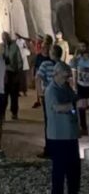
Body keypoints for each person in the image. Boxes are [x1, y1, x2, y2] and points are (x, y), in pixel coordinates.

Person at [45, 61, 80, 194]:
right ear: (57, 74)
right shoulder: (51, 90)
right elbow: (57, 108)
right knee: (59, 171)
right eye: (65, 77)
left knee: (74, 171)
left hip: (70, 135)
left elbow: (74, 101)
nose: (67, 79)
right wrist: (73, 106)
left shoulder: (66, 87)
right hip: (59, 137)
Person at [37, 43, 64, 158]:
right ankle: (59, 148)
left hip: (48, 97)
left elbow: (38, 78)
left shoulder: (45, 64)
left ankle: (49, 148)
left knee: (49, 123)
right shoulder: (63, 66)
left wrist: (40, 93)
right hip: (60, 97)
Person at [1, 31, 23, 120]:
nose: (5, 40)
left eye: (6, 38)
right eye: (3, 38)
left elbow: (19, 60)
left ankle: (14, 112)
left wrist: (18, 71)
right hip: (5, 73)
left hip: (13, 73)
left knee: (14, 95)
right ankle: (2, 113)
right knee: (4, 95)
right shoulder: (1, 47)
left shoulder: (15, 47)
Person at [71, 42, 89, 137]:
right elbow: (72, 66)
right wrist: (75, 86)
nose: (83, 48)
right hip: (81, 85)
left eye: (84, 46)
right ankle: (84, 128)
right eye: (80, 46)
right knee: (81, 108)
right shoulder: (78, 59)